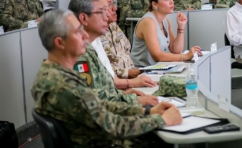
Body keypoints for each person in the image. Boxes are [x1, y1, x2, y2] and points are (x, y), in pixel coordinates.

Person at [31, 9, 182, 148]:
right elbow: (112, 126)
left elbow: (97, 105)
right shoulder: (62, 85)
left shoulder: (54, 72)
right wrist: (162, 120)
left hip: (97, 137)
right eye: (77, 32)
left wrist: (146, 112)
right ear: (60, 42)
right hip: (102, 142)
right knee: (167, 139)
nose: (84, 35)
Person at [68, 0, 157, 93]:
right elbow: (93, 97)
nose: (107, 16)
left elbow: (110, 79)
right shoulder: (79, 51)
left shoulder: (95, 40)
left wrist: (129, 88)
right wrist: (129, 97)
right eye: (101, 12)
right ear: (84, 18)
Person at [131, 0, 202, 67]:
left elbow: (176, 50)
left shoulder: (165, 21)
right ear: (154, 4)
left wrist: (181, 27)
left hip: (158, 68)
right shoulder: (148, 21)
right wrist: (185, 56)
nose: (172, 2)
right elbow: (157, 56)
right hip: (142, 71)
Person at [99, 0, 142, 78]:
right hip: (115, 80)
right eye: (109, 5)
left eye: (113, 3)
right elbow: (101, 66)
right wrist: (129, 74)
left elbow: (127, 48)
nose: (115, 8)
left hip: (131, 74)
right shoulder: (93, 33)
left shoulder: (113, 25)